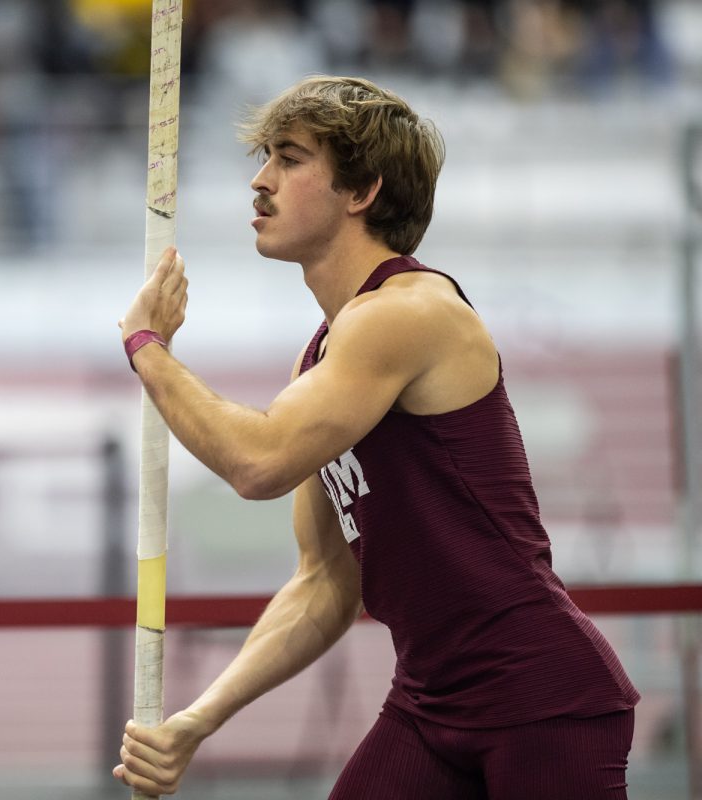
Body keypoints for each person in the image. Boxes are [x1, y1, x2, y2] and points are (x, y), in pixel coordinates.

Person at [113, 75, 639, 799]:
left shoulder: (408, 313)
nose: (259, 182)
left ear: (362, 192)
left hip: (538, 697)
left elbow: (257, 463)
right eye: (263, 157)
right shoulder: (326, 352)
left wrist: (147, 346)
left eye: (290, 158)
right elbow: (324, 581)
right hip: (430, 701)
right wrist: (196, 722)